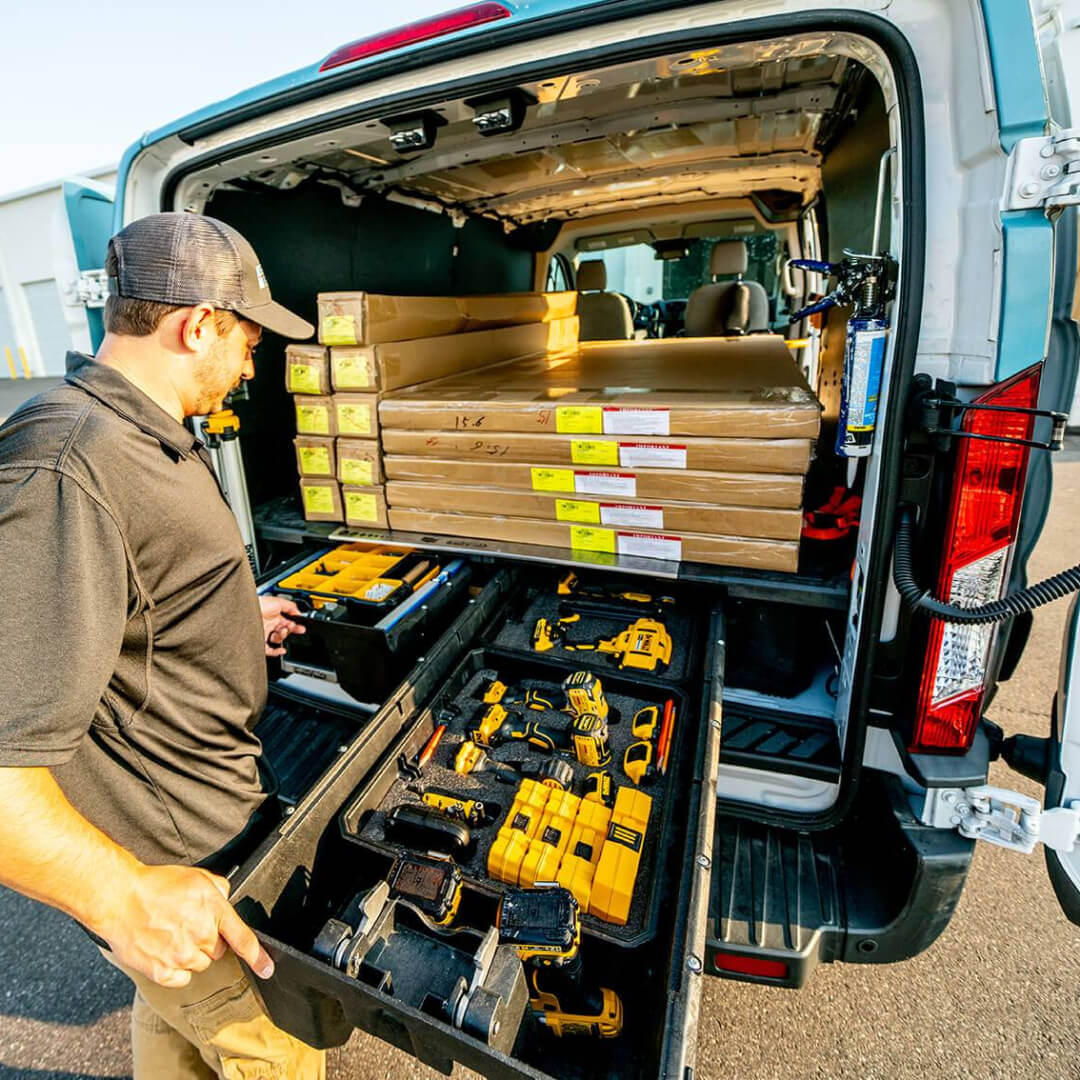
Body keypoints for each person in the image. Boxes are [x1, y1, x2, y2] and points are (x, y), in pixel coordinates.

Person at [0, 212, 325, 1079]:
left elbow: (128, 604)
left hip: (207, 841)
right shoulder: (65, 466)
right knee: (279, 1054)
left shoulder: (145, 433)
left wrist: (225, 615)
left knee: (176, 1037)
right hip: (183, 872)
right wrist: (128, 898)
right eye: (248, 339)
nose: (252, 363)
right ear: (198, 325)